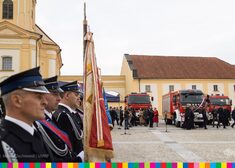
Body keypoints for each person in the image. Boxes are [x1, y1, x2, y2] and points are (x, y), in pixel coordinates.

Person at [0, 67, 54, 162]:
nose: (45, 102)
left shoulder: (34, 132)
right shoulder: (4, 144)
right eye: (38, 97)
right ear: (17, 100)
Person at [34, 76, 76, 161]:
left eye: (59, 95)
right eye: (55, 94)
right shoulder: (38, 123)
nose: (59, 98)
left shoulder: (50, 118)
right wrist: (78, 160)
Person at [53, 81, 84, 162]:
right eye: (76, 95)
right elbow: (66, 146)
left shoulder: (70, 113)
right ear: (66, 95)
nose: (79, 98)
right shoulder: (63, 115)